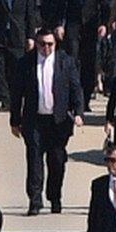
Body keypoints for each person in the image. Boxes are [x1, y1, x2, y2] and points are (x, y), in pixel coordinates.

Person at [10, 28, 84, 215]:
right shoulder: (25, 63)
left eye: (50, 44)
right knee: (34, 159)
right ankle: (35, 200)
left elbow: (76, 88)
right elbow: (17, 93)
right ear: (36, 43)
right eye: (42, 44)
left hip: (58, 121)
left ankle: (55, 197)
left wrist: (78, 112)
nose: (46, 48)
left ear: (55, 44)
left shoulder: (65, 62)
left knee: (57, 160)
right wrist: (14, 120)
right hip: (33, 120)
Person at [56, 0, 111, 108]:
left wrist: (103, 24)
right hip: (73, 26)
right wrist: (60, 24)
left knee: (89, 63)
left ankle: (85, 99)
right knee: (72, 60)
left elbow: (105, 5)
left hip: (91, 27)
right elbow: (62, 5)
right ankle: (71, 98)